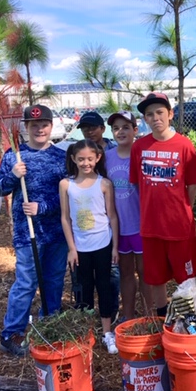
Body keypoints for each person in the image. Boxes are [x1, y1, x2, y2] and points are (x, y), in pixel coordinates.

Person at [0, 104, 68, 357]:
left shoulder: (61, 158)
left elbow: (70, 196)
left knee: (54, 280)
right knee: (26, 283)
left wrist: (44, 207)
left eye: (44, 125)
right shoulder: (13, 156)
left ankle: (49, 327)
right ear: (26, 128)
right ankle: (11, 334)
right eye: (34, 125)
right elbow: (0, 189)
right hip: (27, 234)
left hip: (56, 232)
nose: (39, 129)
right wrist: (13, 175)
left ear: (51, 127)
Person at [129, 92, 196, 316]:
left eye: (160, 112)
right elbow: (137, 184)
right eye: (149, 114)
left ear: (170, 114)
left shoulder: (184, 145)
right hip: (151, 226)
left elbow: (192, 185)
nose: (155, 118)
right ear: (145, 119)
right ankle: (163, 318)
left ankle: (192, 318)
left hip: (179, 226)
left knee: (186, 276)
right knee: (156, 277)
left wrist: (181, 210)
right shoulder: (139, 147)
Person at [59, 139, 119, 354]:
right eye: (81, 159)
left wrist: (115, 247)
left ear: (98, 158)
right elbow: (65, 218)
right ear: (74, 159)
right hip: (80, 248)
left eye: (90, 159)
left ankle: (107, 333)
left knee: (104, 288)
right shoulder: (66, 185)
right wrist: (71, 248)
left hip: (102, 243)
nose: (86, 163)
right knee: (84, 290)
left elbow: (112, 216)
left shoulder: (104, 184)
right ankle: (86, 333)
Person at [105, 110, 152, 320]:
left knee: (145, 273)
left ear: (135, 130)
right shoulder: (106, 158)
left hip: (142, 226)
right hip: (119, 227)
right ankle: (129, 318)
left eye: (125, 127)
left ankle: (149, 317)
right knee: (126, 273)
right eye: (116, 128)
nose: (120, 132)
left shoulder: (142, 155)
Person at [75, 110, 120, 321]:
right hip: (88, 220)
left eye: (93, 127)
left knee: (110, 273)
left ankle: (110, 312)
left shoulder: (113, 150)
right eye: (84, 128)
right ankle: (85, 317)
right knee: (83, 277)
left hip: (113, 213)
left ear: (103, 129)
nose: (89, 132)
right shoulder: (80, 153)